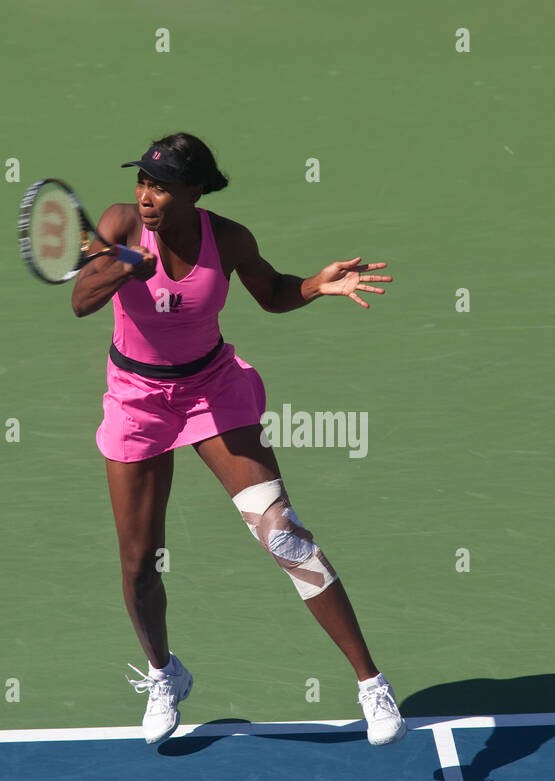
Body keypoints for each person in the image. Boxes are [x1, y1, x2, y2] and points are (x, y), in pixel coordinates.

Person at [71, 132, 405, 747]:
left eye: (162, 186)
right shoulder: (120, 225)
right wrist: (123, 264)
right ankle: (164, 673)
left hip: (210, 391)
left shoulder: (227, 238)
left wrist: (315, 284)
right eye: (142, 181)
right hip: (137, 400)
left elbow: (273, 292)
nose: (146, 196)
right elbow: (81, 301)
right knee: (138, 563)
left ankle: (372, 686)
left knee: (283, 533)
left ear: (195, 191)